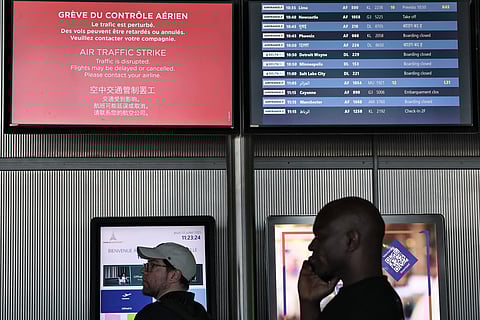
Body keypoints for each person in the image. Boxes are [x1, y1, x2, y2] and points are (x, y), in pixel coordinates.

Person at [298, 196, 405, 320]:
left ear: (350, 241)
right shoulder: (374, 299)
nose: (311, 246)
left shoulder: (363, 307)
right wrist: (308, 304)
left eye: (321, 237)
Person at [135, 242, 212, 320]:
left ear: (174, 276)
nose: (144, 271)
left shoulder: (151, 315)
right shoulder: (200, 312)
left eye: (152, 266)